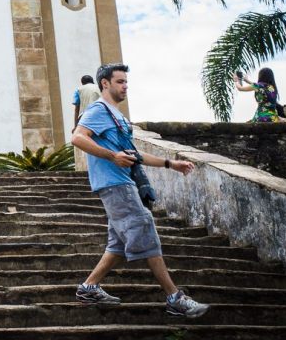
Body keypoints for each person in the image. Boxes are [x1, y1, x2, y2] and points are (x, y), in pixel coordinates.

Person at [70, 62, 210, 318]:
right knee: (145, 229)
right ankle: (174, 297)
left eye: (126, 82)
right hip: (115, 184)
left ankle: (88, 287)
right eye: (120, 82)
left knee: (118, 243)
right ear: (105, 84)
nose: (125, 87)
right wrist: (112, 156)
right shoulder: (98, 110)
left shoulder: (118, 117)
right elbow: (78, 137)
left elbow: (134, 154)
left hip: (125, 182)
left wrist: (170, 163)